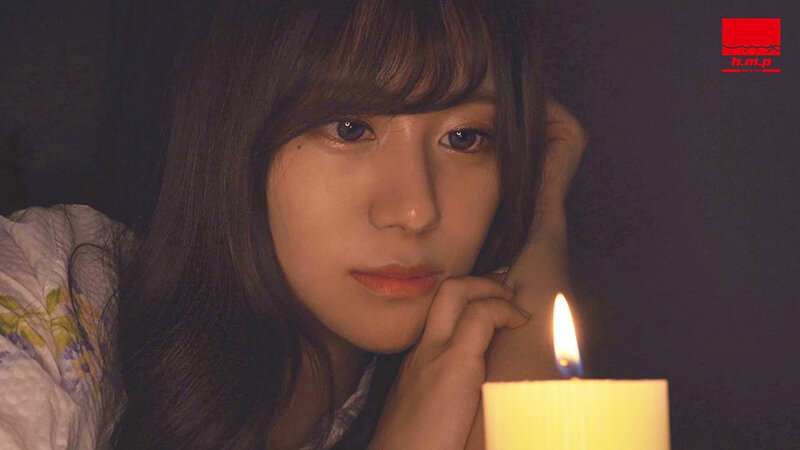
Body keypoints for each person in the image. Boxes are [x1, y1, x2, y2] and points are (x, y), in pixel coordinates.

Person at [0, 0, 589, 448]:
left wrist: (541, 225)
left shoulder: (439, 378)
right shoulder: (50, 296)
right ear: (233, 132)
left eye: (464, 138)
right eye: (350, 128)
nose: (416, 210)